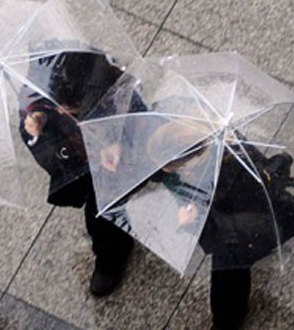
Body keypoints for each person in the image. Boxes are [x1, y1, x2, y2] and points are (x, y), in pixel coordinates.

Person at [146, 121, 294, 329]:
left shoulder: (230, 177)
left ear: (187, 163)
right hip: (237, 207)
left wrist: (194, 220)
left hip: (262, 220)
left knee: (228, 266)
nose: (164, 172)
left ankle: (228, 320)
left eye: (167, 167)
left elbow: (219, 237)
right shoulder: (204, 140)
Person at [19, 45, 135, 296]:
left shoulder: (117, 94)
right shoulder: (44, 98)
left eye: (68, 109)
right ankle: (109, 252)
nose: (62, 112)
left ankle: (114, 253)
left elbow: (140, 125)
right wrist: (38, 131)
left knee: (108, 212)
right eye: (58, 107)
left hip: (114, 168)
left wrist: (115, 144)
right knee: (98, 218)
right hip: (83, 172)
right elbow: (44, 149)